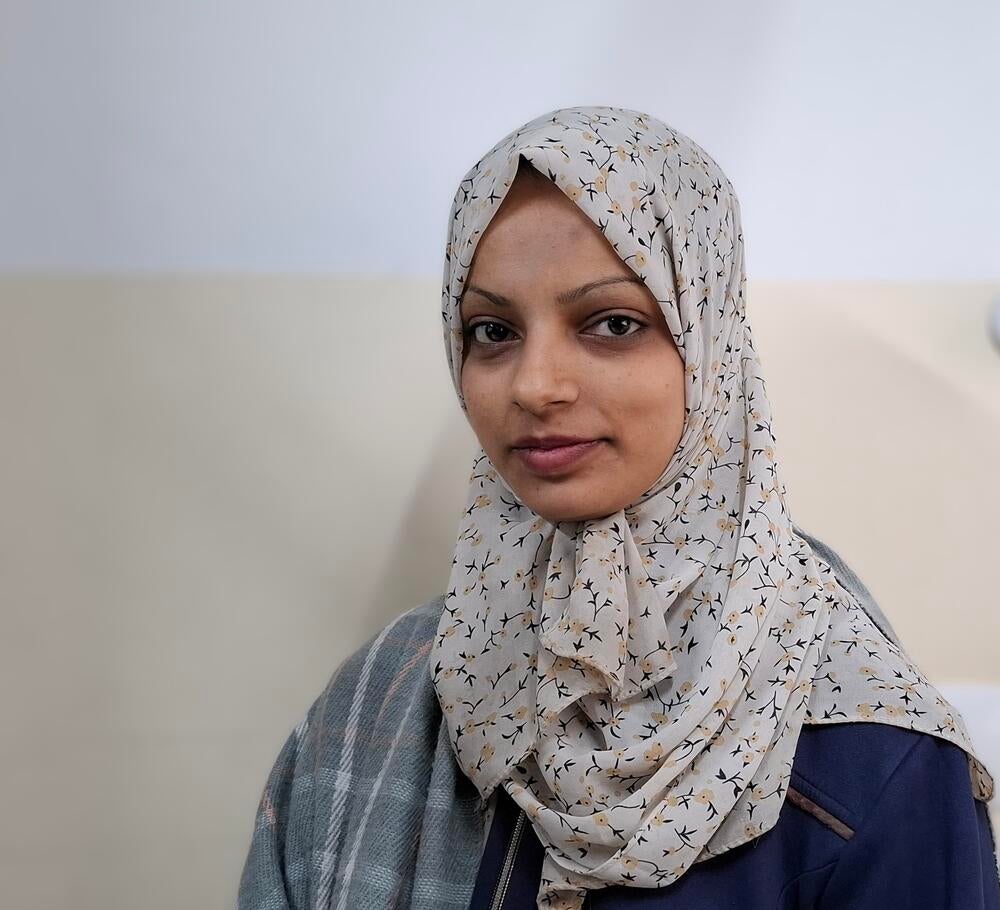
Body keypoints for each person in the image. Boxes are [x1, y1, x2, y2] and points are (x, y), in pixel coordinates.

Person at [238, 106, 1000, 910]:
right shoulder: (382, 701)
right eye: (492, 331)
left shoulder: (864, 752)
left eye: (611, 323)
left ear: (709, 347)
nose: (535, 386)